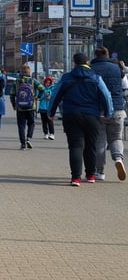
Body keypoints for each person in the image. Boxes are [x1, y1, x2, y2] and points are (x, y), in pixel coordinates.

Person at [48, 52, 113, 186]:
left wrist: (51, 112)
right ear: (87, 62)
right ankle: (90, 175)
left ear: (74, 63)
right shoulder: (96, 78)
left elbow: (56, 95)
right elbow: (106, 96)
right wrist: (108, 113)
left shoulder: (66, 78)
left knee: (75, 146)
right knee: (91, 146)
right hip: (92, 116)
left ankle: (76, 178)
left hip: (71, 115)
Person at [90, 47, 126, 181]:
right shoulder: (116, 67)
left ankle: (100, 172)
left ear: (95, 55)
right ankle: (118, 158)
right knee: (116, 138)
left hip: (98, 110)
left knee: (99, 141)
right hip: (117, 108)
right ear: (107, 54)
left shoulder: (91, 68)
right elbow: (124, 85)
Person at [9, 64, 45, 150]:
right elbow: (42, 89)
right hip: (31, 106)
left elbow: (12, 94)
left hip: (20, 107)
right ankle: (28, 138)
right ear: (29, 72)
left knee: (21, 125)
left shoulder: (17, 81)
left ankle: (22, 144)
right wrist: (38, 97)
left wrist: (14, 104)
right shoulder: (33, 81)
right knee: (31, 123)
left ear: (21, 72)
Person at [38, 75, 56, 140]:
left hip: (49, 107)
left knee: (50, 121)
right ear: (45, 82)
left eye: (49, 82)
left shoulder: (53, 89)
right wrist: (44, 96)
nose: (48, 83)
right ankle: (45, 133)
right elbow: (39, 97)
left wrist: (49, 97)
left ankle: (52, 134)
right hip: (42, 107)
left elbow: (54, 97)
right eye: (46, 82)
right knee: (44, 122)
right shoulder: (42, 89)